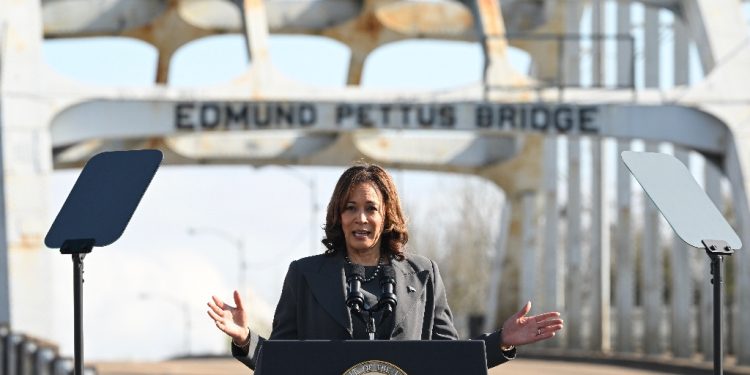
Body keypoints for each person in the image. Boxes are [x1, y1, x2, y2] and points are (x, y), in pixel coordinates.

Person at [207, 163, 563, 370]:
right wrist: (245, 339)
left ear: (387, 214)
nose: (360, 218)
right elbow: (284, 364)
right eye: (349, 207)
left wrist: (501, 342)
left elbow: (447, 363)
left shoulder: (424, 275)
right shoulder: (304, 275)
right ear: (338, 215)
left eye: (371, 208)